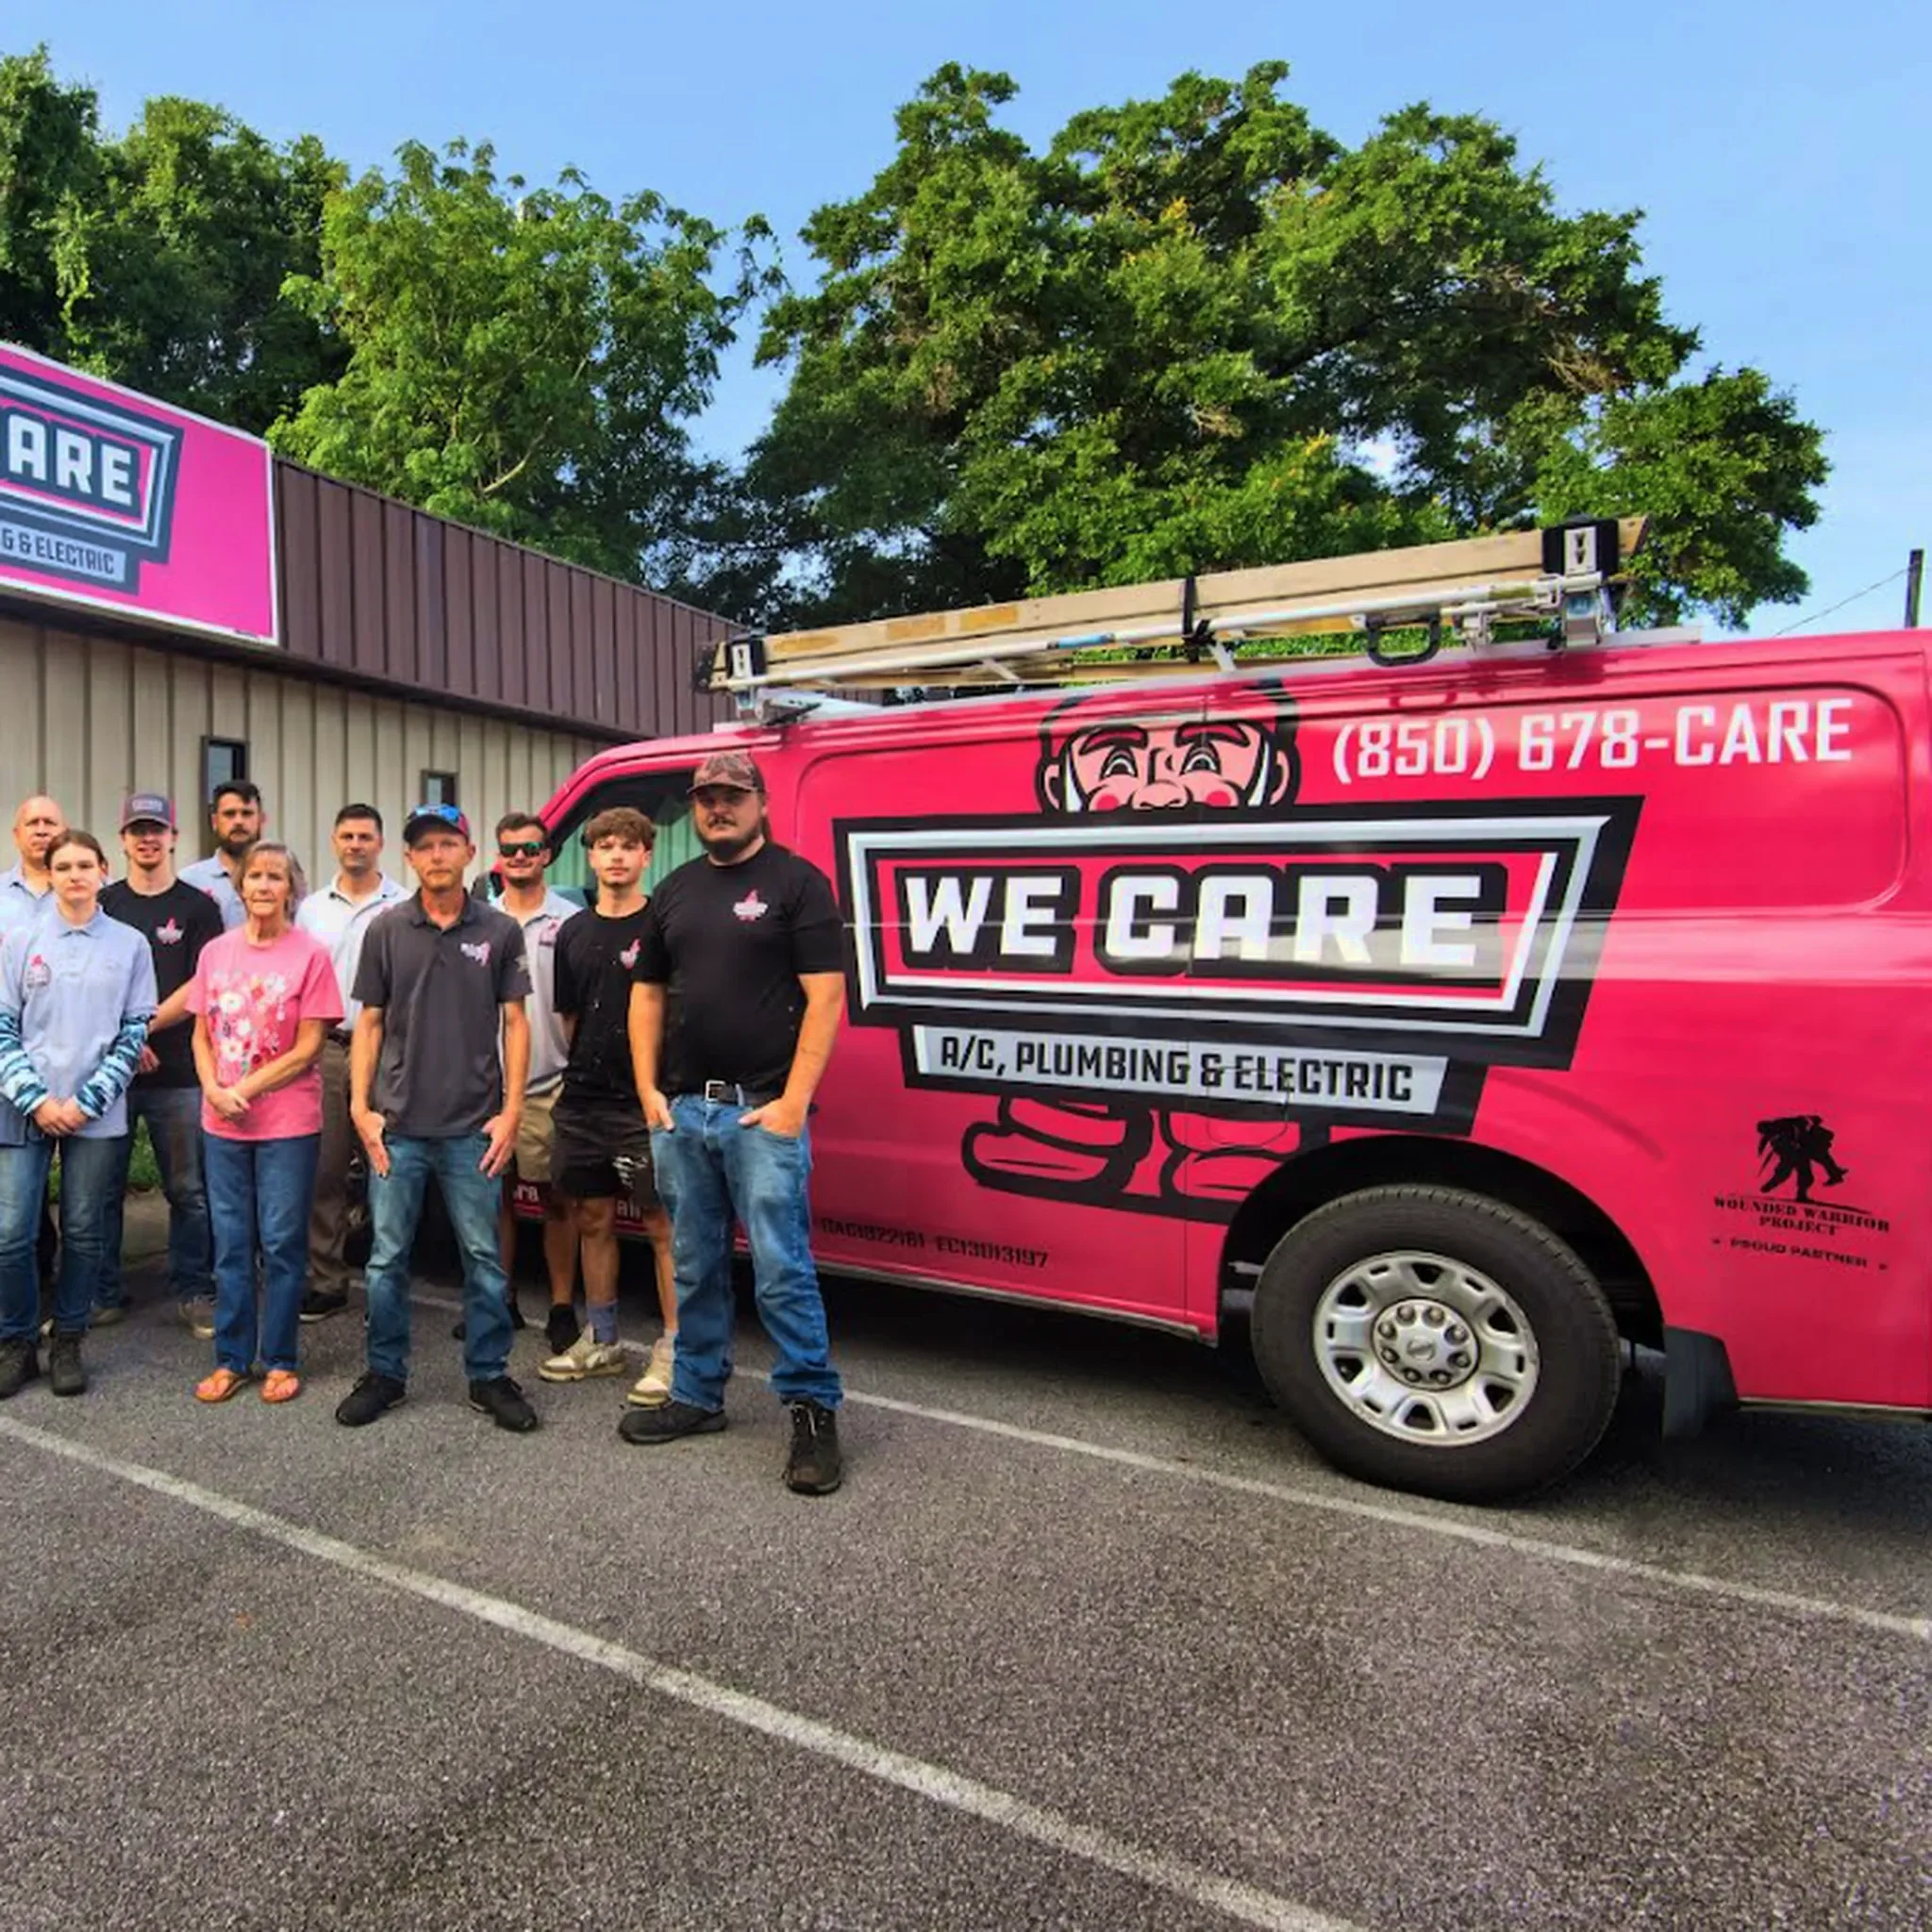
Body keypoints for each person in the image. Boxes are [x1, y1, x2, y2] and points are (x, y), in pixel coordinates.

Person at [621, 750, 847, 1494]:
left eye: (731, 794)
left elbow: (826, 996)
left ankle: (812, 1411)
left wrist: (793, 1102)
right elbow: (647, 994)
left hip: (761, 1114)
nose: (717, 807)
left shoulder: (797, 884)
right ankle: (696, 1395)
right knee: (694, 1265)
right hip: (683, 1113)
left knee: (782, 1270)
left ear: (760, 802)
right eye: (705, 797)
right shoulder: (675, 891)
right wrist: (648, 1090)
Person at [337, 803, 537, 1433]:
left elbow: (516, 1023)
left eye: (448, 844)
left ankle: (489, 1374)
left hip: (473, 1129)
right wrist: (361, 1109)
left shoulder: (500, 931)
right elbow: (369, 1023)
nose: (437, 855)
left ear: (471, 853)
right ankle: (385, 1373)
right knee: (386, 1259)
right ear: (410, 858)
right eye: (424, 846)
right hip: (397, 1128)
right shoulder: (387, 929)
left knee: (483, 1258)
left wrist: (511, 1112)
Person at [0, 831, 158, 1399]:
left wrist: (85, 1102)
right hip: (25, 1107)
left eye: (84, 865)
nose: (73, 875)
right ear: (49, 874)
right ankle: (17, 1340)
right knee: (10, 1234)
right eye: (62, 866)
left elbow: (134, 1031)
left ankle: (68, 1337)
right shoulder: (21, 940)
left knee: (86, 1230)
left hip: (97, 1112)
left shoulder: (130, 944)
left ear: (102, 870)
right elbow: (2, 1027)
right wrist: (37, 1100)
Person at [188, 843, 341, 1406]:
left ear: (290, 889)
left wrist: (244, 1090)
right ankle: (231, 1359)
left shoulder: (311, 955)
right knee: (230, 1244)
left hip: (286, 1125)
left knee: (280, 1242)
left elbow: (309, 1047)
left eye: (275, 877)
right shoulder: (215, 953)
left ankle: (279, 1358)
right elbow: (201, 1035)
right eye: (254, 875)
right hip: (221, 1123)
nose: (263, 886)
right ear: (241, 885)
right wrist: (212, 1089)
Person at [541, 808, 678, 1396]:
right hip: (583, 1102)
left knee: (662, 1226)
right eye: (605, 846)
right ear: (591, 857)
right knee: (592, 1218)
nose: (616, 855)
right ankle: (602, 1339)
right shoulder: (572, 932)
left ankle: (675, 1349)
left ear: (646, 856)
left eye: (628, 846)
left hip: (644, 1105)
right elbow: (570, 1017)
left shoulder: (663, 927)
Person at [98, 792, 224, 1334]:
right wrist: (122, 1041)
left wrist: (139, 1029)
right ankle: (102, 1292)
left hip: (180, 1072)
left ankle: (193, 1289)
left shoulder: (199, 907)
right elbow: (91, 979)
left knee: (189, 1191)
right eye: (137, 830)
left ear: (174, 837)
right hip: (112, 1075)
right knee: (103, 1189)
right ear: (123, 840)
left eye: (156, 830)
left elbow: (203, 983)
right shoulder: (104, 903)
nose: (147, 839)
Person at [295, 804, 408, 1321]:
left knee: (390, 1167)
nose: (356, 844)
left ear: (380, 843)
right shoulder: (312, 910)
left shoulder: (404, 904)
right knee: (327, 1168)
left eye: (365, 836)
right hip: (329, 1047)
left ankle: (388, 1283)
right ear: (334, 842)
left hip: (388, 1048)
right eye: (347, 836)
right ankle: (327, 1278)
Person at [472, 812, 578, 1348]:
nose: (519, 857)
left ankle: (561, 1306)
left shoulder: (571, 921)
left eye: (530, 849)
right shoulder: (480, 922)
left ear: (547, 855)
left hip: (551, 1079)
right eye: (510, 848)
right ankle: (501, 1299)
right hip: (487, 1083)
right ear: (499, 856)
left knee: (559, 1199)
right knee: (496, 1199)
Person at [180, 781, 265, 930]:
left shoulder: (279, 879)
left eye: (247, 813)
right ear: (214, 822)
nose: (238, 821)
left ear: (261, 820)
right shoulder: (189, 881)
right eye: (229, 814)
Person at [0, 795, 63, 937]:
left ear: (65, 833)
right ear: (16, 835)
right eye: (33, 823)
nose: (41, 831)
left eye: (49, 823)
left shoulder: (95, 891)